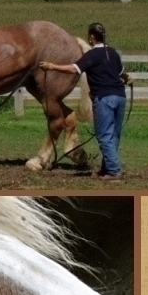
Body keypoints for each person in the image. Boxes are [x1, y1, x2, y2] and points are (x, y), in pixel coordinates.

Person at [39, 23, 132, 180]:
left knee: (104, 136)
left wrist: (52, 66)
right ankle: (106, 168)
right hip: (120, 97)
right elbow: (122, 73)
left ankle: (115, 171)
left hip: (104, 98)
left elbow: (74, 69)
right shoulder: (113, 53)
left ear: (91, 37)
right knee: (114, 135)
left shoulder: (92, 55)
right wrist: (128, 79)